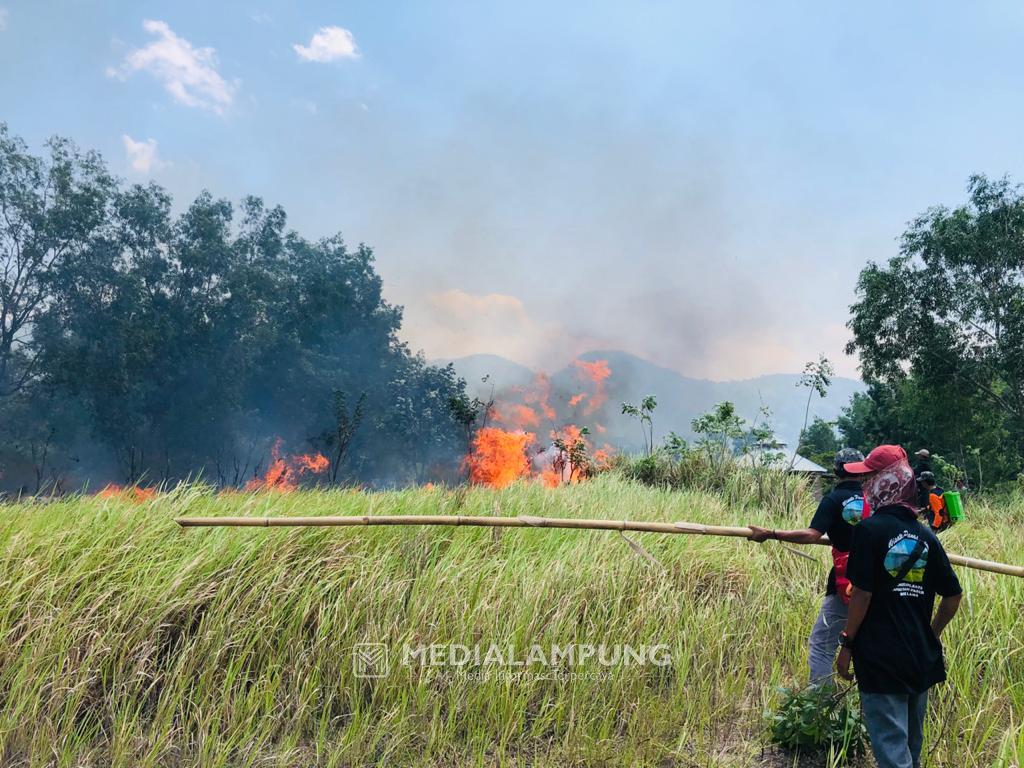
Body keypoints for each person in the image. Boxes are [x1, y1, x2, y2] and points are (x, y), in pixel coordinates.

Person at [836, 445, 962, 768]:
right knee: (910, 752)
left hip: (881, 659)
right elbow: (953, 596)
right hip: (919, 658)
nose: (866, 486)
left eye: (870, 477)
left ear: (887, 481)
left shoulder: (868, 531)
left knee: (893, 756)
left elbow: (861, 594)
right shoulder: (927, 536)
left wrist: (847, 643)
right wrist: (931, 634)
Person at [747, 447, 868, 682]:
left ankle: (820, 706)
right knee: (867, 641)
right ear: (862, 472)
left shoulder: (833, 499)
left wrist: (771, 533)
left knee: (822, 645)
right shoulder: (874, 499)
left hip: (848, 581)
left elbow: (812, 534)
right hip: (878, 581)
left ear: (836, 471)